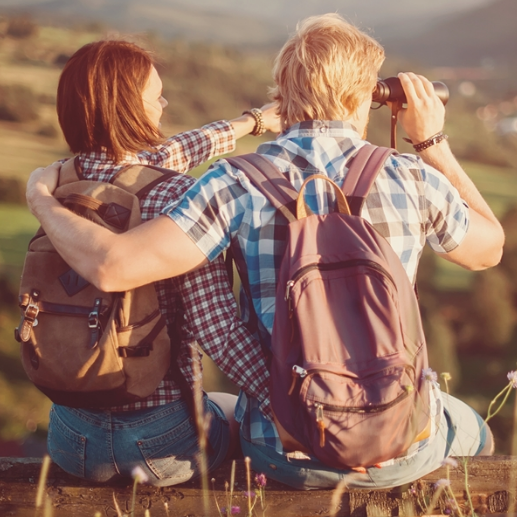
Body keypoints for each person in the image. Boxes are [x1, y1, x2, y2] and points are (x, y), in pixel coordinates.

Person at [27, 15, 504, 490]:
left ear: (282, 91)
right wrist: (432, 145)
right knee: (475, 433)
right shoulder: (413, 177)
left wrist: (42, 199)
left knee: (228, 412)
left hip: (283, 449)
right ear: (365, 95)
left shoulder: (231, 182)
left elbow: (121, 241)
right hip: (403, 444)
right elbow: (490, 249)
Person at [30, 39, 280, 487]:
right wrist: (287, 407)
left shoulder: (59, 184)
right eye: (155, 97)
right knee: (229, 407)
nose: (164, 105)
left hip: (70, 440)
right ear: (129, 109)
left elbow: (163, 155)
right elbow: (217, 329)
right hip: (161, 445)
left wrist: (254, 121)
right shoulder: (176, 197)